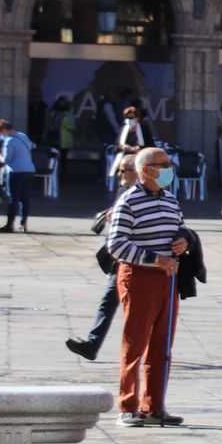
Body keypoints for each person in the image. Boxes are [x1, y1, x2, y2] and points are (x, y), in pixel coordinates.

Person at [107, 147, 188, 428]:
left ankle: (154, 406)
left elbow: (180, 229)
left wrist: (183, 242)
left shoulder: (170, 199)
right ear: (145, 170)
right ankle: (127, 406)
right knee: (135, 344)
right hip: (140, 276)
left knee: (162, 345)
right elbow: (116, 244)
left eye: (168, 163)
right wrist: (154, 258)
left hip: (168, 278)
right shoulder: (128, 201)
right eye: (162, 164)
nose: (168, 168)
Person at [66, 155, 138, 361]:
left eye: (124, 170)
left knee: (137, 309)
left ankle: (148, 347)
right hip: (120, 259)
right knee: (109, 301)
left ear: (137, 171)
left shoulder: (150, 195)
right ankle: (92, 344)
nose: (120, 174)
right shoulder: (124, 191)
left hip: (137, 260)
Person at [0, 119, 36, 233]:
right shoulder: (23, 136)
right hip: (29, 170)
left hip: (16, 171)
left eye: (0, 133)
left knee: (13, 198)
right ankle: (23, 223)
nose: (1, 136)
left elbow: (7, 160)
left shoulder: (10, 141)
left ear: (4, 130)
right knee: (25, 198)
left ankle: (9, 224)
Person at [48, 97, 76, 180]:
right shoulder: (53, 113)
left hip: (64, 140)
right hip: (55, 138)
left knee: (63, 159)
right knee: (53, 158)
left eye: (63, 103)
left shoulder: (68, 114)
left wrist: (64, 123)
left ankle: (62, 176)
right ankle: (53, 175)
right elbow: (50, 124)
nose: (62, 105)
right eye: (60, 103)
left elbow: (73, 127)